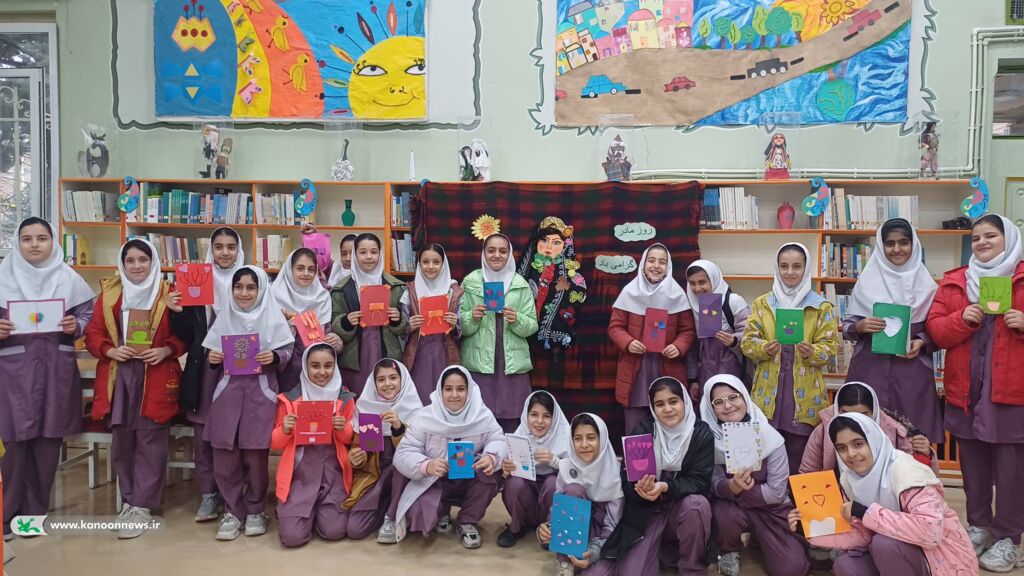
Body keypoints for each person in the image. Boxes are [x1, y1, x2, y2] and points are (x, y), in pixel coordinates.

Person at [925, 213, 1024, 571]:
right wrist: (961, 319)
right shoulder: (955, 282)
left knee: (1012, 471)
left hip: (1011, 394)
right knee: (974, 467)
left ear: (1009, 239)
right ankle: (979, 526)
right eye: (977, 237)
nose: (982, 242)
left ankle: (1009, 537)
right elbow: (936, 331)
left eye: (991, 236)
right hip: (966, 392)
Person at [789, 412, 977, 576]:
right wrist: (809, 529)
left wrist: (866, 512)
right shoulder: (849, 480)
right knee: (846, 564)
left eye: (858, 444)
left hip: (940, 560)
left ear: (874, 440)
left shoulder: (907, 472)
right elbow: (861, 534)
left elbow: (930, 532)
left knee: (885, 544)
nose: (851, 454)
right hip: (900, 559)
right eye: (842, 448)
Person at [0, 217, 95, 541]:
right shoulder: (2, 276)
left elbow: (89, 316)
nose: (34, 244)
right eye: (27, 239)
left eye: (42, 238)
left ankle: (31, 517)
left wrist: (76, 326)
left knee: (47, 444)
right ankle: (5, 515)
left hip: (56, 370)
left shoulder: (69, 278)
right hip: (13, 373)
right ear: (18, 243)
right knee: (13, 443)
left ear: (53, 242)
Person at [84, 238, 185, 539]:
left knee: (151, 441)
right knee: (123, 441)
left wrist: (166, 350)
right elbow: (93, 334)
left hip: (155, 374)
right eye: (131, 260)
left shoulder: (169, 293)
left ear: (154, 262)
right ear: (123, 263)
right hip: (119, 375)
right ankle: (128, 500)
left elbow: (187, 335)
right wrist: (110, 350)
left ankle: (142, 506)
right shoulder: (110, 294)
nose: (137, 266)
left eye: (143, 259)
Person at [202, 266, 295, 541]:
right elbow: (211, 352)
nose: (244, 293)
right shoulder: (224, 316)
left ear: (261, 289)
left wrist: (274, 357)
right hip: (227, 395)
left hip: (260, 394)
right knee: (225, 454)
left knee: (256, 456)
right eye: (238, 287)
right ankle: (233, 510)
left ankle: (255, 510)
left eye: (251, 287)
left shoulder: (273, 316)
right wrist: (213, 358)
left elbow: (287, 351)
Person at [166, 226, 244, 522]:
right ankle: (209, 495)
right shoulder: (196, 281)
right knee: (204, 435)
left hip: (239, 366)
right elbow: (188, 335)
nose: (225, 252)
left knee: (235, 434)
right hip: (204, 370)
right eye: (219, 247)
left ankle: (234, 493)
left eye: (231, 247)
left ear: (239, 250)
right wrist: (177, 311)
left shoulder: (249, 280)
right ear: (211, 250)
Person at [740, 242, 840, 473]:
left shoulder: (821, 307)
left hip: (805, 396)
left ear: (806, 268)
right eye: (784, 266)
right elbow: (747, 342)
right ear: (777, 268)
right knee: (765, 455)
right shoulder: (762, 304)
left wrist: (812, 352)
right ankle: (770, 495)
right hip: (768, 392)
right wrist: (764, 348)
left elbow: (831, 346)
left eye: (797, 266)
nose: (790, 272)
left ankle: (795, 496)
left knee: (800, 456)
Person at [602, 377, 716, 576]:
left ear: (685, 402)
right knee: (632, 573)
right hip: (647, 512)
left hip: (681, 510)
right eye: (660, 404)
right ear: (653, 408)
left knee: (697, 505)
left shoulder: (701, 434)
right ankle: (661, 548)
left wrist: (665, 487)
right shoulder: (643, 432)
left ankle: (692, 568)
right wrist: (640, 490)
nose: (668, 409)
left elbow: (701, 482)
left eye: (673, 401)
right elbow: (627, 482)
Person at [843, 218, 941, 442]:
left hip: (912, 375)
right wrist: (860, 326)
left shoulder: (928, 286)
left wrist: (922, 341)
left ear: (914, 245)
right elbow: (847, 329)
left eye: (903, 242)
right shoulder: (866, 282)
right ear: (881, 246)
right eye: (890, 243)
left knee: (914, 439)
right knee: (866, 435)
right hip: (870, 371)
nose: (897, 249)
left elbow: (939, 330)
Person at [700, 374, 809, 576]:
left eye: (733, 397)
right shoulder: (710, 441)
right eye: (718, 402)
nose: (728, 405)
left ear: (744, 397)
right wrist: (731, 486)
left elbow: (777, 492)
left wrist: (740, 491)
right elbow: (713, 483)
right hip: (732, 508)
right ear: (710, 408)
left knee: (792, 569)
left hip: (771, 510)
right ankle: (729, 549)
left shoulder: (770, 437)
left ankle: (761, 538)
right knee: (723, 512)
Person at [393, 366, 506, 548]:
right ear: (440, 390)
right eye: (448, 389)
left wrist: (491, 456)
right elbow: (404, 452)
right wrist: (426, 465)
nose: (454, 395)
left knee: (491, 474)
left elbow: (498, 439)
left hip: (468, 479)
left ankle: (467, 521)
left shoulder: (482, 415)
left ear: (469, 391)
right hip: (435, 480)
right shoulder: (424, 417)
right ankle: (441, 511)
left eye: (460, 389)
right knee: (418, 515)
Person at [272, 344, 356, 547]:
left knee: (334, 531)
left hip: (333, 475)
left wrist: (343, 428)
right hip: (300, 477)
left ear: (335, 367)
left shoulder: (345, 399)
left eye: (328, 365)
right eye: (315, 366)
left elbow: (350, 440)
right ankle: (293, 510)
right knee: (292, 538)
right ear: (305, 367)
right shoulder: (290, 400)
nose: (322, 372)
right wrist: (285, 429)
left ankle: (318, 510)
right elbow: (276, 444)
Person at [609, 243, 695, 433]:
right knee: (636, 428)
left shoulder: (677, 295)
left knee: (669, 421)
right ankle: (639, 455)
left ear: (668, 266)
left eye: (662, 262)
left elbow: (688, 330)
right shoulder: (629, 292)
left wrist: (678, 346)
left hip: (667, 367)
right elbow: (615, 327)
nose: (656, 266)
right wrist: (628, 342)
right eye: (652, 260)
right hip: (636, 370)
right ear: (643, 263)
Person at [460, 234, 538, 431]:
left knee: (512, 419)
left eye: (503, 251)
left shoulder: (520, 284)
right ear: (483, 253)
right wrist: (472, 316)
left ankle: (508, 451)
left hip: (511, 363)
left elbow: (532, 326)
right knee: (478, 419)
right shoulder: (470, 282)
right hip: (479, 362)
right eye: (491, 250)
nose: (497, 255)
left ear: (509, 254)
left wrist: (517, 319)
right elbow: (458, 326)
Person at [346, 359, 423, 543]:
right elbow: (357, 447)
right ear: (374, 383)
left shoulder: (415, 410)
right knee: (355, 529)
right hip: (374, 478)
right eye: (381, 379)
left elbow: (416, 454)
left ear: (403, 380)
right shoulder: (365, 407)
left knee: (401, 466)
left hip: (403, 479)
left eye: (393, 378)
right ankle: (388, 507)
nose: (387, 384)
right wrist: (356, 457)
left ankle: (393, 516)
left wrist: (398, 427)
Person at [536, 413, 622, 576]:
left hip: (602, 535)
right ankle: (564, 562)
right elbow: (559, 509)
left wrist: (595, 551)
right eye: (577, 439)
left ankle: (586, 557)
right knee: (574, 490)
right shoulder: (567, 467)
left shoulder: (614, 473)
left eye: (591, 438)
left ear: (602, 439)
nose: (584, 445)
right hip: (572, 532)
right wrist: (548, 528)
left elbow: (612, 524)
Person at [799, 382, 935, 475]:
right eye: (846, 414)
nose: (855, 422)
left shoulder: (894, 431)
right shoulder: (823, 431)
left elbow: (916, 475)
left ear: (874, 413)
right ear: (836, 411)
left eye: (863, 415)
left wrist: (926, 453)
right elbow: (808, 474)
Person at [331, 233, 408, 396]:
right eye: (362, 252)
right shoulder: (342, 289)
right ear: (355, 255)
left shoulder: (396, 286)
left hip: (386, 351)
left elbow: (405, 328)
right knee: (358, 397)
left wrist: (397, 319)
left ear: (380, 253)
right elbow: (334, 324)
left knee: (386, 397)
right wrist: (346, 322)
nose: (368, 257)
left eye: (374, 252)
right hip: (356, 356)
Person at [516, 216, 588, 388]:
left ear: (565, 246)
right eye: (544, 241)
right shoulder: (523, 274)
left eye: (556, 243)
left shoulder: (574, 278)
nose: (548, 247)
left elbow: (577, 303)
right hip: (522, 346)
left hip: (557, 350)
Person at [498, 390, 571, 548]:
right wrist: (506, 471)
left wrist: (555, 461)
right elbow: (504, 473)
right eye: (534, 415)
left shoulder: (566, 437)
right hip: (527, 495)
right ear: (526, 415)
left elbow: (576, 473)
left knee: (553, 483)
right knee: (514, 483)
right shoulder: (519, 436)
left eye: (546, 416)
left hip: (549, 496)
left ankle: (549, 530)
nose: (539, 421)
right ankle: (516, 527)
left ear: (555, 418)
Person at [271, 248, 343, 393]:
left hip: (318, 371)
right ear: (290, 269)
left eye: (311, 269)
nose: (306, 273)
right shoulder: (273, 297)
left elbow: (327, 334)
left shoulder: (322, 297)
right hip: (285, 369)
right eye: (300, 268)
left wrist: (335, 342)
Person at [401, 243, 463, 403]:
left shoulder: (454, 291)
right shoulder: (409, 291)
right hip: (418, 353)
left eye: (436, 262)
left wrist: (454, 325)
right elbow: (399, 330)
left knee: (444, 397)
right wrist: (409, 326)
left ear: (443, 264)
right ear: (419, 264)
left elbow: (461, 331)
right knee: (420, 398)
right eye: (425, 262)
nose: (430, 266)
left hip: (445, 352)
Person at [684, 259, 750, 397]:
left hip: (732, 364)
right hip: (705, 369)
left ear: (714, 279)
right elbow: (692, 347)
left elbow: (749, 332)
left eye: (702, 282)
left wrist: (734, 340)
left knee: (731, 401)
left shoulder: (733, 301)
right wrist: (693, 379)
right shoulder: (689, 305)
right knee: (710, 401)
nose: (697, 288)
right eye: (692, 283)